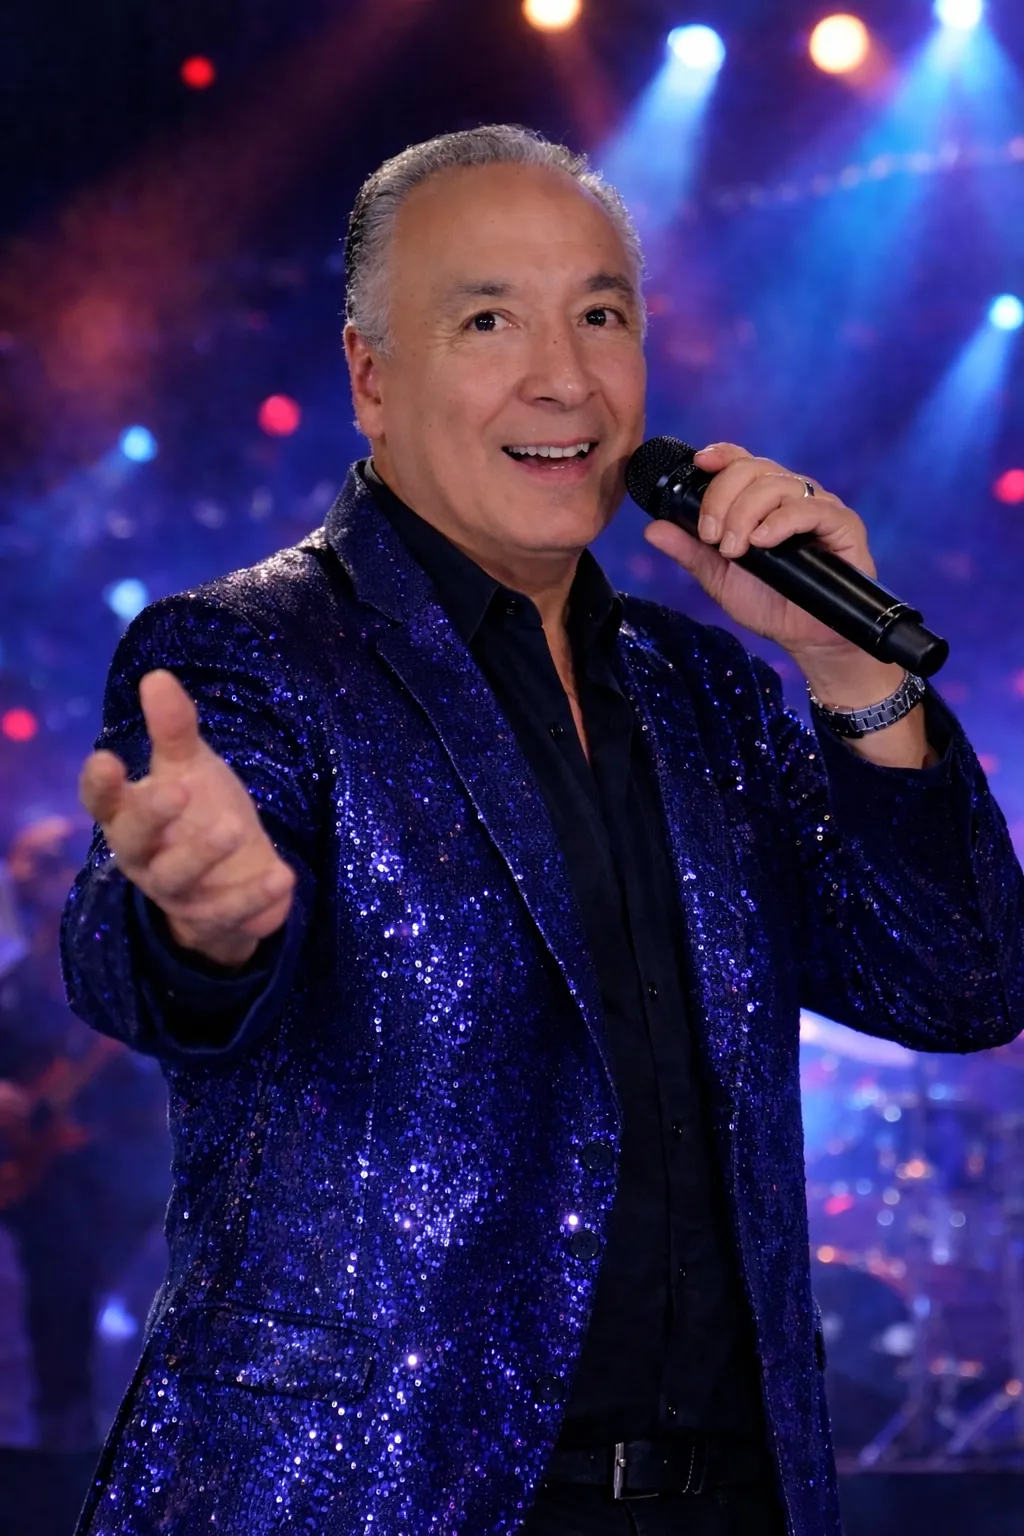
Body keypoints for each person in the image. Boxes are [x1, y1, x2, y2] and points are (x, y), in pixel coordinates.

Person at [61, 125, 1023, 1536]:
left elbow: (963, 984)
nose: (563, 377)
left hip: (724, 1501)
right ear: (370, 378)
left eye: (601, 316)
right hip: (373, 1500)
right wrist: (200, 922)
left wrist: (850, 672)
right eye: (488, 320)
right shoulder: (250, 652)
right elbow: (139, 952)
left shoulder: (704, 690)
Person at [0, 819, 170, 1536]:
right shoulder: (15, 986)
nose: (28, 879)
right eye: (22, 865)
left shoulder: (119, 968)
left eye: (46, 863)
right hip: (44, 1200)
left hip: (128, 1192)